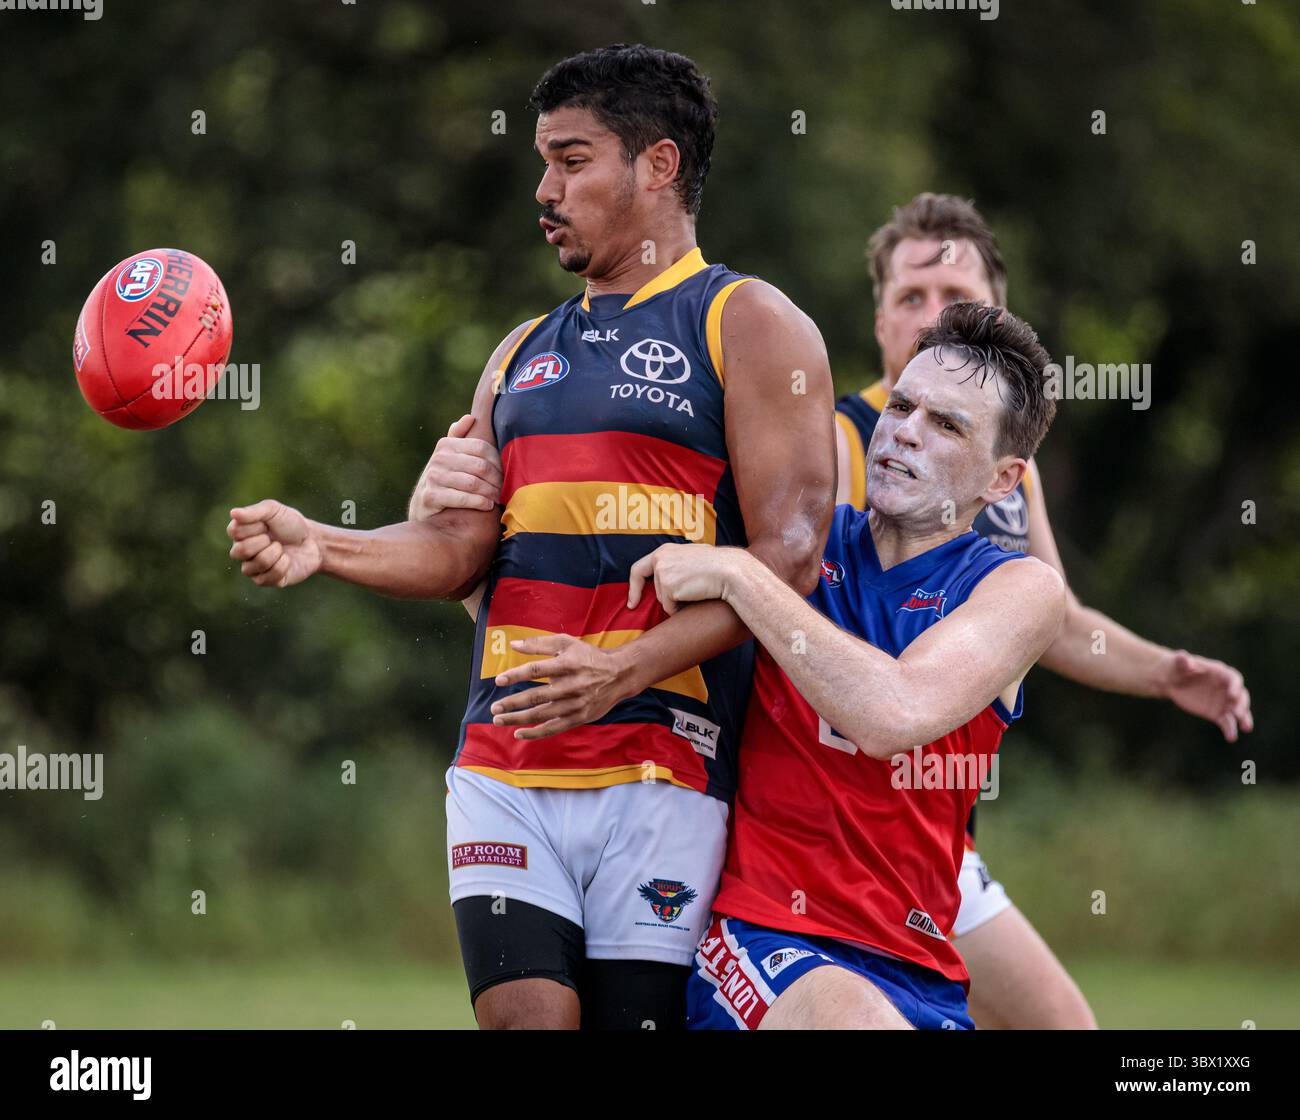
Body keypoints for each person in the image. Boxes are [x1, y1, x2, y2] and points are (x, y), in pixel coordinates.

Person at [228, 43, 835, 1030]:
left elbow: (791, 558)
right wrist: (323, 544)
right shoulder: (519, 352)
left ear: (658, 165)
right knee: (525, 1019)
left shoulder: (748, 322)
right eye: (543, 162)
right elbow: (461, 553)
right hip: (503, 760)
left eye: (571, 159)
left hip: (662, 767)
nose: (544, 189)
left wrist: (623, 668)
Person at [831, 192, 1253, 1028]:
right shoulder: (843, 442)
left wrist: (1162, 672)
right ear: (880, 322)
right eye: (908, 298)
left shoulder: (998, 465)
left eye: (954, 296)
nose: (931, 313)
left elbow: (1051, 614)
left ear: (997, 311)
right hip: (827, 824)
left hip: (932, 827)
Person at [628, 301, 1063, 1028]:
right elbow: (590, 593)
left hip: (918, 969)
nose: (903, 433)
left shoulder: (1017, 589)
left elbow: (892, 714)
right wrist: (457, 511)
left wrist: (741, 576)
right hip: (765, 937)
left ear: (1002, 480)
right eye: (901, 405)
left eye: (947, 425)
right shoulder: (794, 549)